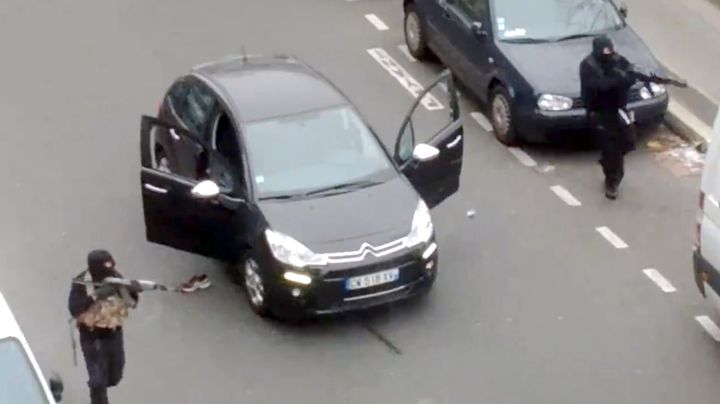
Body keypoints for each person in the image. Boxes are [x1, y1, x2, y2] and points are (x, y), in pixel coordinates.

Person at [68, 250, 142, 404]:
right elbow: (75, 309)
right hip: (91, 336)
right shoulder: (81, 283)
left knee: (115, 376)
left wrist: (133, 290)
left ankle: (103, 383)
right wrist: (95, 295)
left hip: (113, 333)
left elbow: (132, 303)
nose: (111, 271)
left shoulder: (115, 278)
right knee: (98, 381)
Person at [580, 35, 640, 200]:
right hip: (600, 112)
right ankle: (612, 181)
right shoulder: (588, 66)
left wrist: (628, 77)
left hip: (618, 109)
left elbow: (630, 73)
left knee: (628, 141)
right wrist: (618, 80)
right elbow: (598, 87)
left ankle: (609, 164)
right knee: (610, 148)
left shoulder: (618, 60)